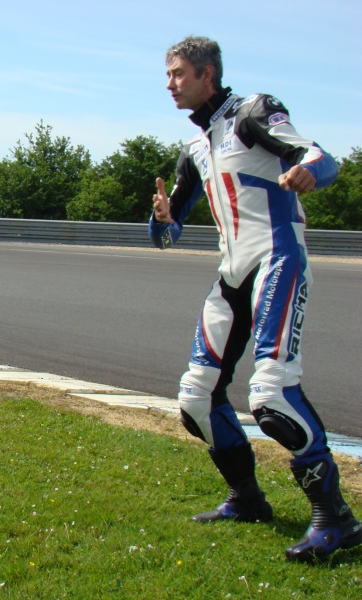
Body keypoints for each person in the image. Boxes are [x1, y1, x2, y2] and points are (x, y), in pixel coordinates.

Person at [149, 36, 361, 563]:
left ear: (207, 73)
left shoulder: (252, 113)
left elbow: (319, 156)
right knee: (197, 398)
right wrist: (161, 219)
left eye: (177, 73)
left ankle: (337, 520)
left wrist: (311, 170)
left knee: (271, 397)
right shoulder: (195, 149)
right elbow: (165, 235)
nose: (169, 83)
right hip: (232, 272)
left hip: (277, 258)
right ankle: (247, 499)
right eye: (168, 74)